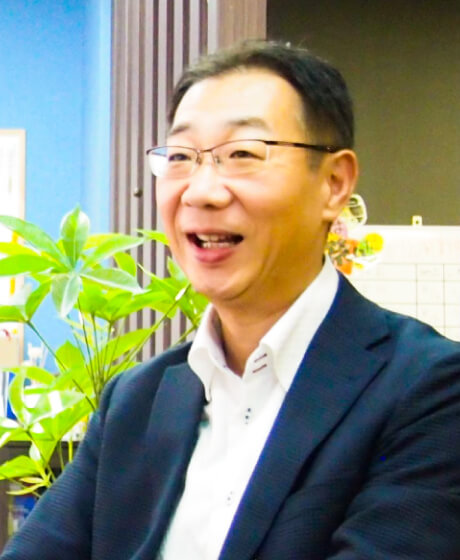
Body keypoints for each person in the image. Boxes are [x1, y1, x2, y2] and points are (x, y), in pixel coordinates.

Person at [2, 40, 460, 560]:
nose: (201, 191)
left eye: (242, 154)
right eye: (180, 157)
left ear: (333, 184)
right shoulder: (135, 401)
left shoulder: (428, 390)